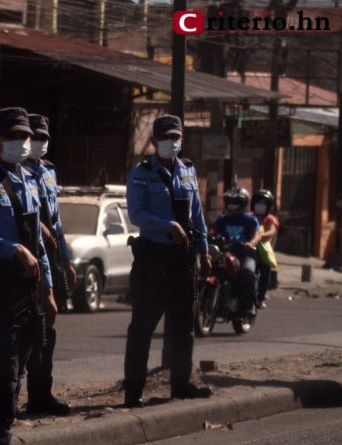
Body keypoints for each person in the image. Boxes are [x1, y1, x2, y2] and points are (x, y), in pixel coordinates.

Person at [0, 107, 57, 445]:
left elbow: (37, 244)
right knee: (1, 373)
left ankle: (1, 430)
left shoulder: (31, 180)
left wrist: (48, 289)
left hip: (28, 290)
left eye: (24, 136)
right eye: (11, 136)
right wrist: (12, 249)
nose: (20, 142)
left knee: (17, 372)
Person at [124, 114, 212, 408]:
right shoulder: (141, 173)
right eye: (166, 138)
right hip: (154, 257)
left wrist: (204, 249)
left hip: (183, 259)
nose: (171, 143)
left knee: (183, 326)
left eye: (176, 138)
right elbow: (136, 214)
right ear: (154, 141)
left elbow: (197, 213)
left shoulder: (188, 170)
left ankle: (181, 385)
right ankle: (133, 391)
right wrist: (168, 225)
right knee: (143, 326)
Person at [22, 113, 72, 416]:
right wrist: (39, 228)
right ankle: (30, 395)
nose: (39, 143)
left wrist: (66, 259)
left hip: (51, 255)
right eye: (35, 137)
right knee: (32, 329)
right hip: (28, 256)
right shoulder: (17, 172)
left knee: (47, 329)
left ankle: (42, 393)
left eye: (44, 138)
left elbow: (57, 221)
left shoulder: (49, 171)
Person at [209, 187, 261, 316]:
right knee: (210, 268)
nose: (232, 207)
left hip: (245, 254)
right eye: (230, 203)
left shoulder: (250, 219)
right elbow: (212, 231)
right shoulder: (222, 218)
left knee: (248, 272)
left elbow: (257, 235)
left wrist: (251, 243)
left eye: (235, 203)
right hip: (225, 253)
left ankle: (249, 306)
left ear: (243, 204)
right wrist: (208, 236)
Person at [251, 189, 279, 309]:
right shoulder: (249, 217)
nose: (261, 205)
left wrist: (259, 236)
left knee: (265, 274)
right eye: (259, 202)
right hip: (250, 248)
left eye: (264, 203)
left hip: (263, 253)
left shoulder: (270, 219)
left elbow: (272, 231)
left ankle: (260, 298)